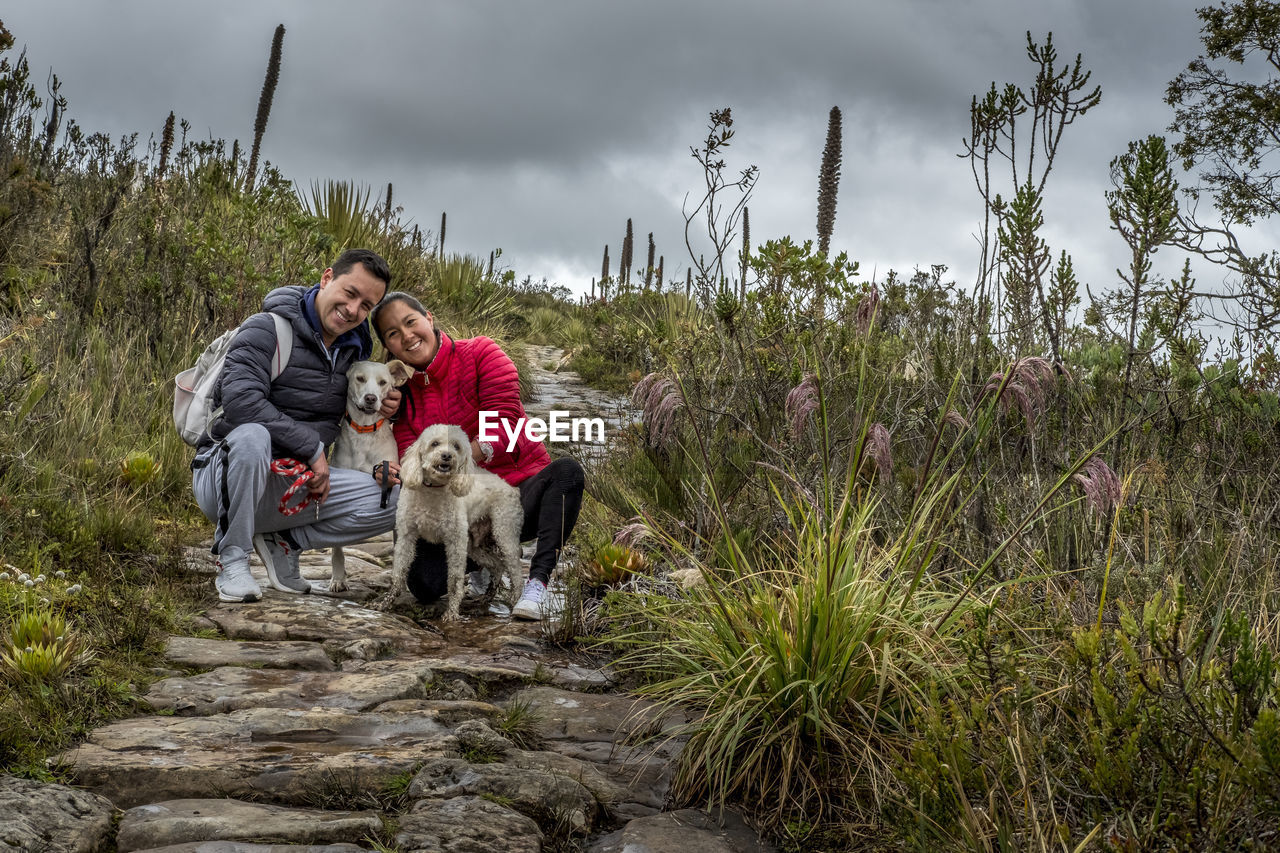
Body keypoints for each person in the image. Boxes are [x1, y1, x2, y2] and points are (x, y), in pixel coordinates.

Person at [192, 249, 401, 602]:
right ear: (326, 278)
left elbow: (359, 403)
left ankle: (285, 543)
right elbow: (242, 403)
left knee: (398, 498)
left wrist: (390, 407)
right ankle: (233, 559)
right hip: (226, 473)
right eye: (350, 293)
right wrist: (311, 448)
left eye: (366, 305)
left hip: (294, 481)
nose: (353, 310)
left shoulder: (352, 352)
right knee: (253, 436)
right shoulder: (266, 328)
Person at [370, 291, 585, 620]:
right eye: (393, 334)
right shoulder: (403, 397)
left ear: (428, 318)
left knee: (567, 472)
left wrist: (457, 460)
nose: (407, 336)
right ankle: (482, 555)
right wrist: (391, 469)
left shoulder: (482, 352)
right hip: (455, 508)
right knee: (424, 585)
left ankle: (536, 585)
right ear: (389, 346)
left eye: (410, 322)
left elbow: (506, 420)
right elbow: (409, 455)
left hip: (516, 490)